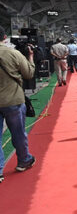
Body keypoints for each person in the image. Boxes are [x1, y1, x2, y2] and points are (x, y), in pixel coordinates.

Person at [0, 26, 37, 182]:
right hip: (13, 100)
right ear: (4, 37)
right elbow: (29, 73)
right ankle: (23, 160)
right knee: (18, 133)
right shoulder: (13, 53)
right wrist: (30, 56)